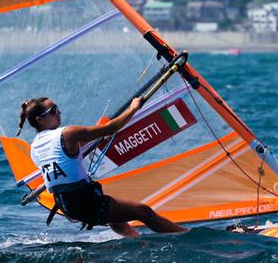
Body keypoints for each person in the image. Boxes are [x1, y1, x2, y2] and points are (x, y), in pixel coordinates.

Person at [17, 97, 188, 237]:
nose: (58, 113)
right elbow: (111, 129)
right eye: (52, 111)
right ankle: (185, 237)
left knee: (117, 219)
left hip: (67, 205)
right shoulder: (67, 133)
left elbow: (68, 155)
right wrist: (134, 107)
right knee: (143, 212)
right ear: (39, 119)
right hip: (85, 201)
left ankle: (136, 241)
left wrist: (97, 132)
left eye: (57, 108)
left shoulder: (35, 147)